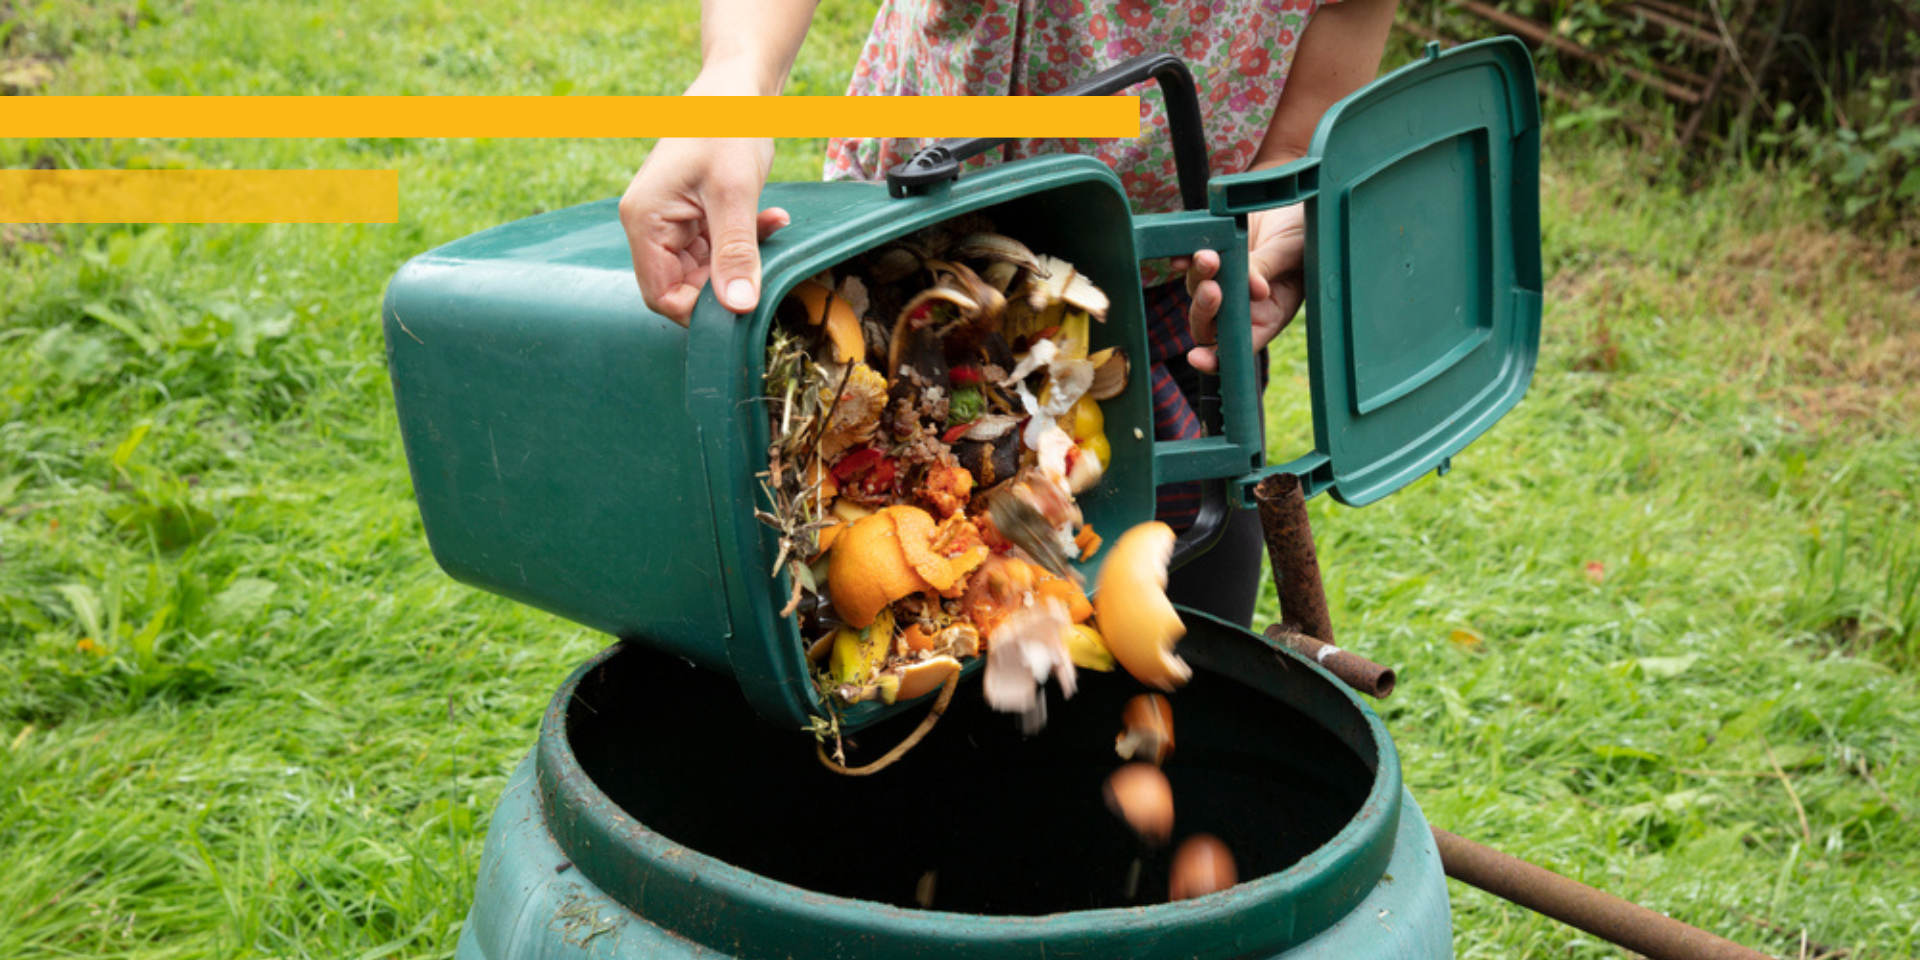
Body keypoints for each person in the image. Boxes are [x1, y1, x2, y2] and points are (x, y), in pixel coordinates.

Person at [619, 0, 1397, 628]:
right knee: (850, 603)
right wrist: (735, 83)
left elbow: (1302, 130)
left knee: (1182, 632)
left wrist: (1276, 220)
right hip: (896, 268)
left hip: (1164, 306)